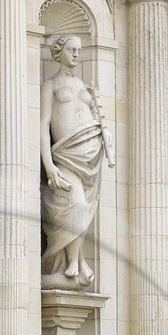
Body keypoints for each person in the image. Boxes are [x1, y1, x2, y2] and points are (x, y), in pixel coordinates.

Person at [39, 33, 113, 288]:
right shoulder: (51, 85)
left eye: (78, 50)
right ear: (59, 52)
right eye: (71, 49)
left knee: (84, 209)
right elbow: (43, 125)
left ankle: (74, 261)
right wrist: (49, 166)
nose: (76, 54)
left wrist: (105, 135)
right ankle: (67, 261)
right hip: (65, 154)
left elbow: (96, 118)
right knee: (77, 204)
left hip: (90, 156)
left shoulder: (84, 85)